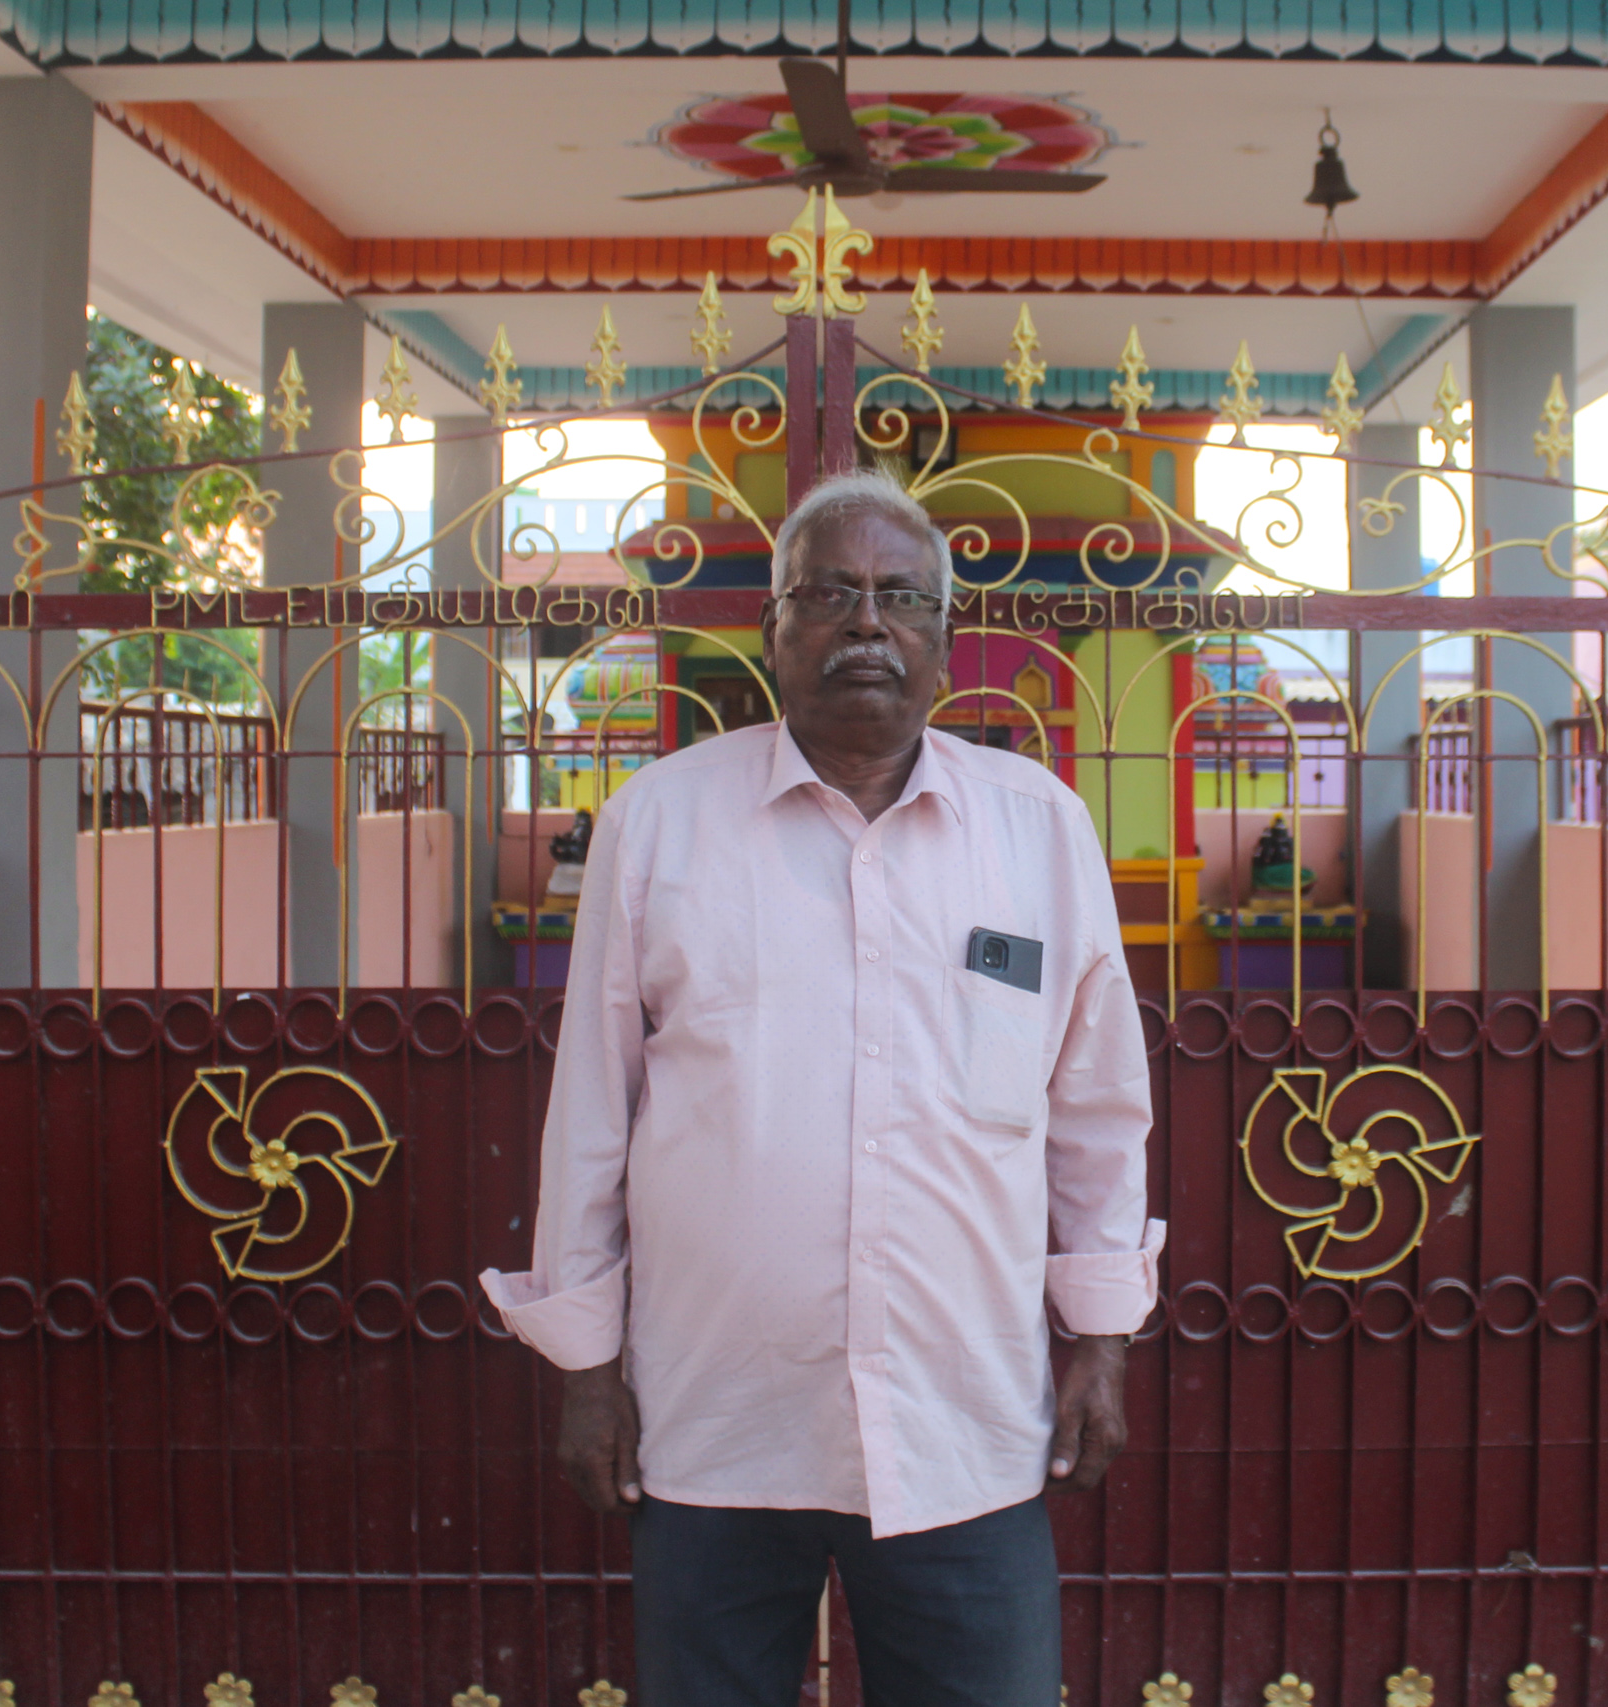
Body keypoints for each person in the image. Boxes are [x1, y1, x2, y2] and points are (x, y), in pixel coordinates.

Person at [481, 468, 1162, 1707]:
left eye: (899, 596)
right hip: (717, 1416)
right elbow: (591, 1110)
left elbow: (1098, 1108)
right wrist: (584, 1363)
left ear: (945, 640)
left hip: (965, 1420)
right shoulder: (659, 826)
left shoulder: (1039, 832)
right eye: (829, 593)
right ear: (773, 629)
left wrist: (1102, 1336)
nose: (865, 624)